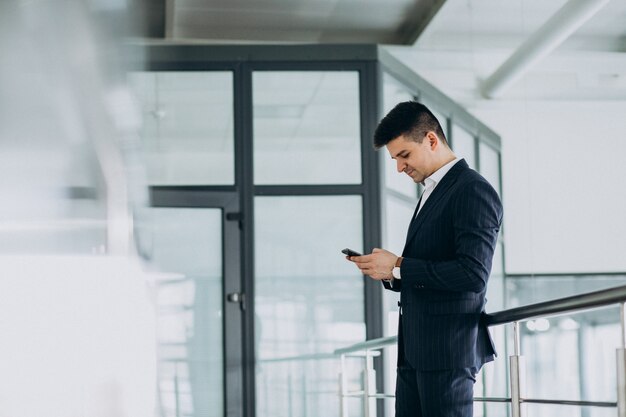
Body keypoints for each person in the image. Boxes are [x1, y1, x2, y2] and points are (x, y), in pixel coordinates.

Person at [347, 101, 503, 417]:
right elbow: (430, 266)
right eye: (395, 159)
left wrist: (398, 265)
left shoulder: (472, 190)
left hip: (447, 355)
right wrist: (389, 273)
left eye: (404, 156)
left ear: (431, 140)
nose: (399, 168)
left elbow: (473, 274)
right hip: (416, 353)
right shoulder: (433, 190)